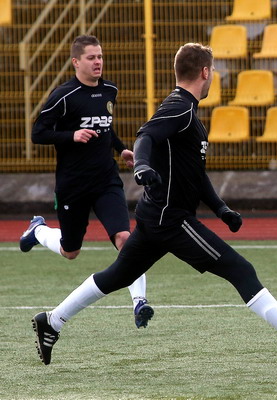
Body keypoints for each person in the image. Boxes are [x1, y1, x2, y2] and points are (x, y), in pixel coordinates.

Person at [31, 43, 277, 365]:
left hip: (156, 216)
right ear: (204, 72)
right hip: (171, 220)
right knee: (240, 270)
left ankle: (52, 321)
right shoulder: (179, 107)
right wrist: (141, 166)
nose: (213, 75)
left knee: (116, 276)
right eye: (212, 70)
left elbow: (194, 175)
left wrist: (220, 208)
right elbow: (145, 136)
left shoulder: (187, 111)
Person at [19, 35, 153, 329]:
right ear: (76, 62)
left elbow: (106, 127)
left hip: (106, 181)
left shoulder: (110, 90)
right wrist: (72, 135)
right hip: (73, 185)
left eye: (100, 56)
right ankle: (38, 230)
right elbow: (38, 133)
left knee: (125, 239)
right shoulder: (64, 95)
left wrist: (121, 150)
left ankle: (139, 303)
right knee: (70, 251)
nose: (98, 62)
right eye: (91, 57)